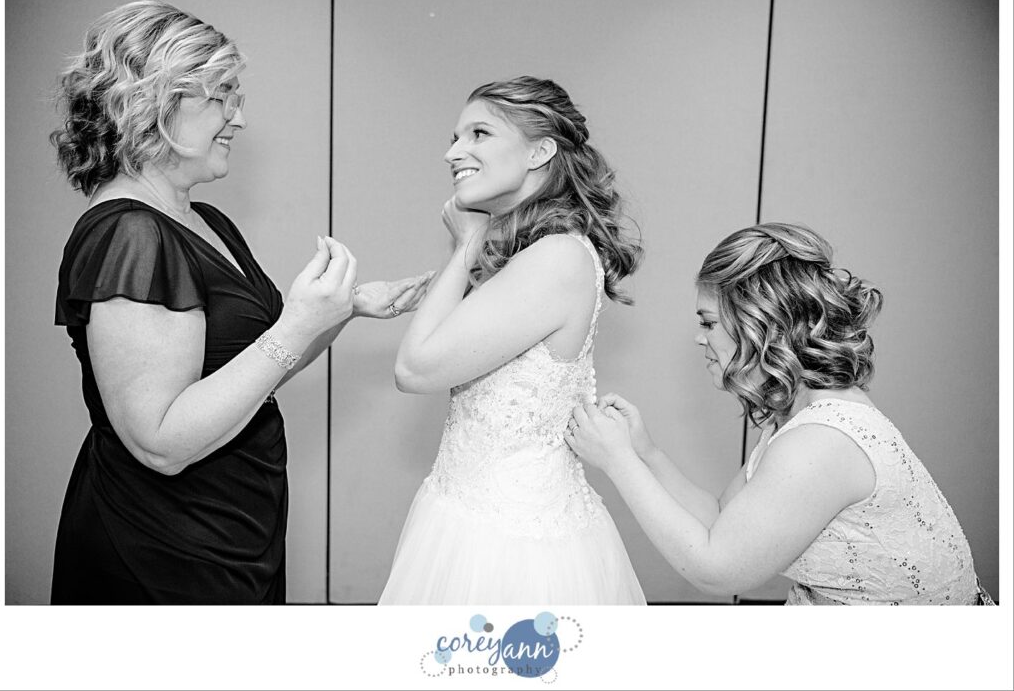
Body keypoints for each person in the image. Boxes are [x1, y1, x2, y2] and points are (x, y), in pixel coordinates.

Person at [50, 0, 432, 604]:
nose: (240, 118)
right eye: (223, 95)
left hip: (235, 529)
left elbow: (259, 368)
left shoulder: (206, 220)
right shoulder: (130, 235)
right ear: (156, 100)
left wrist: (341, 309)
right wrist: (299, 322)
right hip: (162, 548)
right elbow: (161, 442)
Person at [567, 222, 992, 605]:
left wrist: (618, 462)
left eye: (709, 322)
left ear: (762, 326)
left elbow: (716, 569)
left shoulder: (821, 441)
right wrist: (646, 452)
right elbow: (720, 519)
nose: (700, 339)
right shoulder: (796, 413)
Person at [378, 76, 646, 605]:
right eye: (455, 137)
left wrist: (466, 241)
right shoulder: (537, 252)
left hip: (513, 547)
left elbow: (415, 369)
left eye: (479, 134)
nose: (454, 152)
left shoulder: (556, 258)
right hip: (464, 510)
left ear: (540, 151)